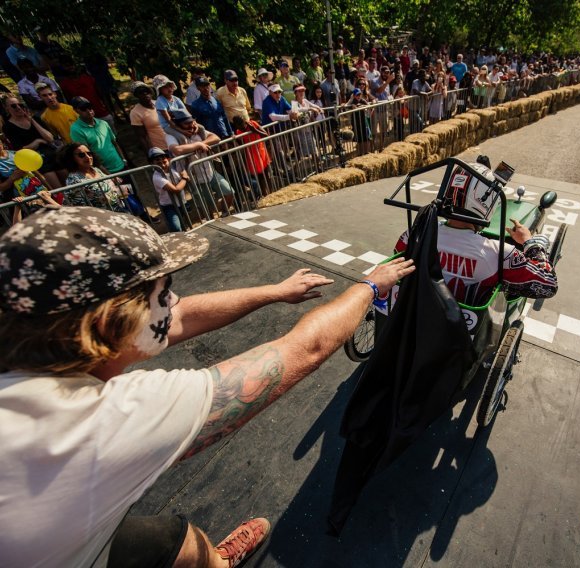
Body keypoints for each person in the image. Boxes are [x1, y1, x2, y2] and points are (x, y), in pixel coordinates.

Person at [0, 205, 415, 568]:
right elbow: (306, 349)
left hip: (47, 539)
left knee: (177, 540)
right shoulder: (96, 424)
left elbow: (176, 319)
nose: (174, 299)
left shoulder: (33, 342)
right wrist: (369, 286)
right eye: (163, 292)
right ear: (110, 325)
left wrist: (275, 292)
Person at [394, 160, 557, 304]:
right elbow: (548, 285)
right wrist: (530, 242)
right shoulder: (499, 253)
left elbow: (398, 260)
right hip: (464, 332)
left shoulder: (412, 235)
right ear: (485, 202)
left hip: (415, 314)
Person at [165, 109, 234, 214]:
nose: (191, 125)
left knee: (229, 191)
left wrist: (203, 143)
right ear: (177, 125)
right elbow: (177, 150)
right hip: (194, 177)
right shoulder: (171, 135)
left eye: (191, 122)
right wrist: (197, 145)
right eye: (186, 123)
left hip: (209, 171)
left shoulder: (198, 130)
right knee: (207, 204)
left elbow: (216, 137)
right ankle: (211, 219)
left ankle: (225, 212)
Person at [2, 95, 64, 189]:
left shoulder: (35, 118)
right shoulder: (8, 127)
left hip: (52, 154)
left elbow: (50, 138)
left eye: (20, 105)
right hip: (38, 161)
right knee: (59, 189)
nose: (18, 107)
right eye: (14, 106)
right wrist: (37, 141)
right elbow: (20, 150)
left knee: (71, 184)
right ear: (7, 109)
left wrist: (32, 121)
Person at [60, 142, 128, 211]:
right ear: (71, 159)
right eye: (81, 155)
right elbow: (77, 208)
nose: (88, 157)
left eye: (89, 153)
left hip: (120, 211)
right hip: (103, 218)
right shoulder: (73, 180)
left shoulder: (96, 169)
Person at [69, 96, 126, 175]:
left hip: (121, 166)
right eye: (83, 109)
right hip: (104, 173)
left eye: (89, 107)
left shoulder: (103, 123)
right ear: (76, 110)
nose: (89, 111)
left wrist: (123, 159)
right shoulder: (76, 130)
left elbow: (114, 143)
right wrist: (108, 175)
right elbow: (87, 156)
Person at [58, 56, 115, 129]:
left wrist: (108, 109)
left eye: (71, 64)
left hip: (101, 112)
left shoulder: (87, 78)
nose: (70, 67)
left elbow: (101, 94)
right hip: (85, 118)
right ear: (62, 68)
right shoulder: (64, 84)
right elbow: (70, 103)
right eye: (66, 66)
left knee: (112, 135)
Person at [148, 146, 189, 232]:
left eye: (164, 161)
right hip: (169, 206)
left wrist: (185, 176)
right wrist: (184, 178)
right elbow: (175, 189)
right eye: (158, 163)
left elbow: (185, 176)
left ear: (168, 160)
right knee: (176, 227)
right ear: (152, 164)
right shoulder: (156, 177)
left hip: (181, 202)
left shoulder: (173, 169)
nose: (162, 165)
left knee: (183, 222)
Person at [129, 81, 168, 151]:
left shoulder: (159, 103)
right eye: (141, 92)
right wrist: (150, 153)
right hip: (160, 149)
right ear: (136, 95)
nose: (145, 93)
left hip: (174, 143)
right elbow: (141, 137)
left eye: (146, 90)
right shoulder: (135, 113)